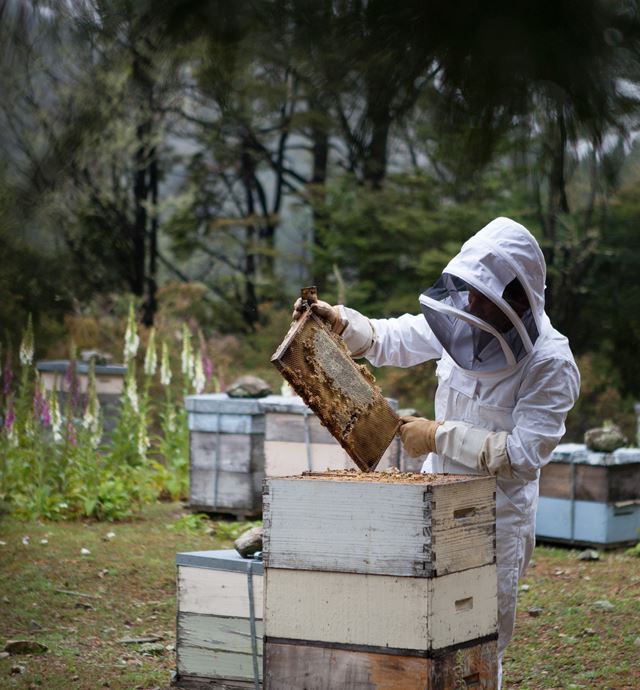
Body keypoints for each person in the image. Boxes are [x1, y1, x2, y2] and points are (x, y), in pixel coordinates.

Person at [294, 216, 580, 688]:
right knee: (419, 634)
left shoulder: (551, 363)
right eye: (469, 293)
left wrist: (436, 435)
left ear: (516, 300)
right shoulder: (463, 319)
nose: (471, 307)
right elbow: (392, 338)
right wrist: (341, 321)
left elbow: (525, 455)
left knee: (476, 648)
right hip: (433, 503)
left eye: (485, 300)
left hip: (495, 519)